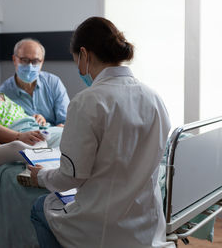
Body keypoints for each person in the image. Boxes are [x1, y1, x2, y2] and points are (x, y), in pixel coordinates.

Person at [28, 17, 175, 248]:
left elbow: (71, 177)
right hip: (147, 225)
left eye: (76, 60)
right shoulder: (153, 97)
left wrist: (41, 176)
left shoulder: (87, 102)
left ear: (85, 55)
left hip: (103, 227)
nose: (78, 67)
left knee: (40, 207)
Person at [0, 38, 70, 126]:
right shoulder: (3, 94)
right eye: (25, 60)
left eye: (35, 61)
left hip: (54, 136)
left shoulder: (54, 83)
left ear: (42, 62)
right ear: (14, 59)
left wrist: (50, 126)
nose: (30, 66)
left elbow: (66, 121)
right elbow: (5, 128)